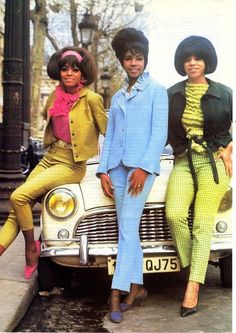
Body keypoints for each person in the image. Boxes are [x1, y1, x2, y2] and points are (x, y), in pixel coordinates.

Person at [0, 46, 107, 279]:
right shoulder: (54, 96)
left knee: (18, 196)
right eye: (64, 69)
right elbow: (49, 121)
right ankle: (27, 246)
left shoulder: (92, 99)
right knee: (17, 211)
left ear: (83, 74)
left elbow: (110, 132)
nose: (69, 73)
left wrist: (108, 168)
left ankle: (31, 247)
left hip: (71, 165)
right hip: (49, 158)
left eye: (75, 69)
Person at [97, 27, 168, 323]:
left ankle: (116, 292)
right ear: (122, 62)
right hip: (116, 169)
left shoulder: (157, 92)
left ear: (145, 60)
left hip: (142, 170)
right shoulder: (117, 96)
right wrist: (103, 170)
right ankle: (137, 287)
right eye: (129, 59)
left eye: (138, 58)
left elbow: (158, 134)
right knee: (129, 230)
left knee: (127, 226)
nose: (134, 63)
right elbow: (110, 136)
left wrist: (143, 167)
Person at [166, 36, 232, 317]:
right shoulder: (172, 93)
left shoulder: (225, 92)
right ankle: (195, 267)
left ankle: (192, 288)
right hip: (183, 160)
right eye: (187, 59)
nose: (192, 63)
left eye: (198, 58)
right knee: (174, 213)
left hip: (214, 161)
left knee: (203, 224)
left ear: (206, 62)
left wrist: (230, 149)